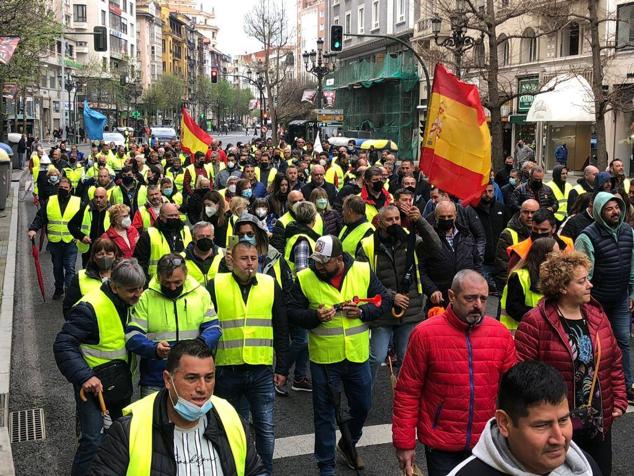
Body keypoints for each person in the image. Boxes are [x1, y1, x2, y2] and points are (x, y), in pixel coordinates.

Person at [393, 270, 516, 476]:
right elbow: (407, 391)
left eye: (483, 298)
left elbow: (512, 392)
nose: (478, 304)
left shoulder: (501, 335)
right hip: (442, 447)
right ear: (451, 296)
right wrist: (405, 443)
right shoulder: (425, 334)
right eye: (470, 298)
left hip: (487, 445)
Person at [515, 251, 628, 475]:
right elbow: (522, 372)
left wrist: (619, 398)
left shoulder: (597, 314)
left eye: (588, 278)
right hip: (556, 422)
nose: (590, 284)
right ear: (562, 288)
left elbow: (613, 359)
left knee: (598, 470)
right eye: (582, 280)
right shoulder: (536, 321)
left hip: (597, 419)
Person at [288, 235, 392, 474]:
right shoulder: (305, 278)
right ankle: (326, 466)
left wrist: (363, 311)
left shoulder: (363, 271)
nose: (319, 266)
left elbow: (383, 301)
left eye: (324, 262)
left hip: (357, 356)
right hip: (324, 360)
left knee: (363, 406)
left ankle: (348, 443)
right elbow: (290, 311)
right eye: (316, 261)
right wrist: (314, 317)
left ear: (339, 259)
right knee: (324, 415)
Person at [88, 339, 267, 475]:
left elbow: (256, 471)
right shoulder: (128, 430)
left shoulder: (230, 417)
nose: (202, 388)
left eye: (209, 377)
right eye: (192, 378)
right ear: (167, 379)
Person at [54, 259, 145, 476]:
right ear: (114, 287)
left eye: (140, 289)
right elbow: (63, 344)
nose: (138, 295)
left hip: (119, 384)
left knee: (117, 437)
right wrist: (85, 376)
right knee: (93, 441)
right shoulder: (90, 308)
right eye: (132, 290)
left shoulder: (133, 301)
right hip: (93, 388)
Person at [207, 240, 289, 474]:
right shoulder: (215, 285)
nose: (250, 263)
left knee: (265, 428)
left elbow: (281, 328)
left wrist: (282, 367)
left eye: (254, 258)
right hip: (227, 370)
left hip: (260, 369)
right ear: (231, 260)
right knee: (233, 428)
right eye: (244, 258)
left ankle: (265, 471)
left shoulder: (270, 285)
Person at [447, 361, 602, 476]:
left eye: (563, 420)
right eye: (541, 425)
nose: (559, 439)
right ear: (504, 423)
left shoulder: (587, 467)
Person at [126, 253, 221, 397]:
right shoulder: (145, 298)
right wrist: (154, 349)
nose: (172, 287)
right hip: (155, 379)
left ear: (186, 274)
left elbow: (214, 328)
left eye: (177, 282)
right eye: (167, 283)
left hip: (193, 377)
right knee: (153, 419)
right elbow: (132, 336)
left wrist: (200, 343)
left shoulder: (201, 294)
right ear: (158, 277)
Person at [356, 205, 428, 383]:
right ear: (379, 222)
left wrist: (421, 222)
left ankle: (404, 401)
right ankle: (363, 398)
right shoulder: (367, 245)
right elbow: (363, 279)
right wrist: (391, 295)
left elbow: (435, 247)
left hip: (410, 311)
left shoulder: (409, 237)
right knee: (377, 357)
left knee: (407, 358)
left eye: (397, 218)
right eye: (389, 220)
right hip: (383, 312)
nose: (395, 222)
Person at [575, 191, 634, 403]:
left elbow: (632, 264)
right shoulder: (586, 237)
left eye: (617, 207)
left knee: (622, 341)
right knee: (594, 344)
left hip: (619, 298)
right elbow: (582, 273)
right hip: (595, 301)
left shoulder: (628, 231)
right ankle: (595, 386)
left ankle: (627, 386)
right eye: (609, 208)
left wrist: (632, 292)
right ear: (599, 211)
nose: (615, 211)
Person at [28, 177, 80, 300]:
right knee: (57, 268)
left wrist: (83, 236)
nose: (63, 189)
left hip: (70, 241)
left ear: (70, 189)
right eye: (61, 187)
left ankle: (69, 292)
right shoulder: (50, 201)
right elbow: (41, 216)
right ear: (58, 188)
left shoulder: (78, 202)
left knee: (70, 268)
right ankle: (59, 288)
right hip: (55, 242)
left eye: (65, 188)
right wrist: (33, 229)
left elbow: (85, 221)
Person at [419, 200, 479, 306]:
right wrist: (431, 290)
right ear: (435, 216)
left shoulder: (466, 235)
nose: (446, 220)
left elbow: (476, 262)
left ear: (455, 215)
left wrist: (476, 285)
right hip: (439, 299)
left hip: (465, 297)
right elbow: (421, 271)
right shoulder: (427, 239)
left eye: (449, 216)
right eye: (442, 217)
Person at [500, 237, 558, 330]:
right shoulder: (519, 276)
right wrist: (541, 316)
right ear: (547, 256)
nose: (560, 257)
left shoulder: (553, 277)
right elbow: (514, 309)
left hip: (539, 330)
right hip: (518, 332)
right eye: (557, 254)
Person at [63, 237, 120, 319]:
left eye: (108, 254)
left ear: (115, 256)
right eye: (100, 254)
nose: (104, 257)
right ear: (94, 257)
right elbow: (68, 309)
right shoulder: (80, 277)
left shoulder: (123, 276)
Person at [134, 203, 192, 277]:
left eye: (176, 215)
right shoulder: (149, 234)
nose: (174, 218)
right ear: (161, 217)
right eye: (170, 216)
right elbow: (139, 261)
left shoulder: (186, 230)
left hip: (184, 278)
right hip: (157, 281)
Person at [507, 208, 574, 271]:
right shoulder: (519, 250)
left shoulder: (567, 243)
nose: (539, 233)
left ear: (553, 228)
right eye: (535, 229)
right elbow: (512, 276)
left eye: (544, 230)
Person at [474, 182, 506, 292]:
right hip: (483, 262)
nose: (487, 194)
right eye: (484, 191)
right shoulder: (473, 210)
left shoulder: (500, 207)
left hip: (499, 261)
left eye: (490, 191)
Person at [69, 186, 110, 266]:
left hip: (106, 251)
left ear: (107, 197)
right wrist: (82, 236)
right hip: (89, 251)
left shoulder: (112, 211)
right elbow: (71, 225)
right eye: (96, 197)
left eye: (101, 197)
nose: (98, 200)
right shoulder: (86, 209)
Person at [284, 201, 321, 277]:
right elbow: (301, 271)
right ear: (313, 218)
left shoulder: (295, 232)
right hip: (300, 285)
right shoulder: (302, 240)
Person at [184, 221, 225, 286]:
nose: (205, 239)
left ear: (213, 237)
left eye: (208, 236)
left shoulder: (223, 254)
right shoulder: (183, 257)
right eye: (201, 236)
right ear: (194, 238)